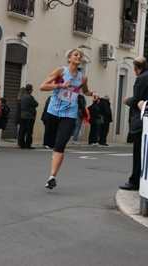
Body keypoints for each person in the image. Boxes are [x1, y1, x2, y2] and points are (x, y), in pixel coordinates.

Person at [40, 48, 99, 189]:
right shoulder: (60, 71)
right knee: (50, 142)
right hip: (53, 111)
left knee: (61, 145)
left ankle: (52, 177)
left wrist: (93, 93)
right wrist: (61, 85)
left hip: (70, 114)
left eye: (81, 55)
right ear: (69, 58)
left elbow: (85, 91)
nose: (79, 57)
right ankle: (54, 151)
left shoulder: (82, 78)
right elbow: (43, 86)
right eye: (76, 55)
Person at [119, 56, 148, 190]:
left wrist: (127, 100)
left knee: (138, 153)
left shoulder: (142, 78)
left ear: (135, 68)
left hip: (141, 120)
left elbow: (137, 100)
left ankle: (134, 181)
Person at [19, 84, 39, 149]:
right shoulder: (30, 97)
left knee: (22, 130)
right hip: (30, 116)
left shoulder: (22, 96)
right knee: (29, 131)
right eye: (32, 89)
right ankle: (28, 144)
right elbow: (36, 104)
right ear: (30, 90)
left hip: (23, 115)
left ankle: (21, 144)